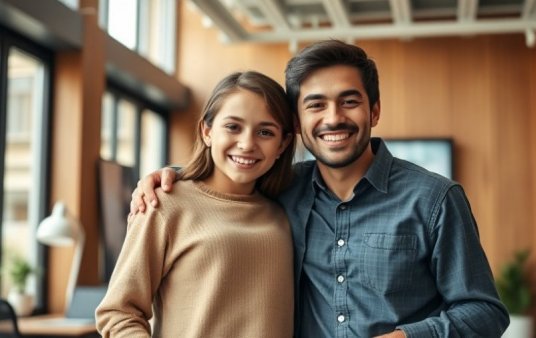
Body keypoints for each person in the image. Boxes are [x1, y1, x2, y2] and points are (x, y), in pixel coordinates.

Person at [131, 40, 510, 337]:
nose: (334, 118)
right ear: (297, 122)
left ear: (374, 111)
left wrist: (405, 337)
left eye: (349, 102)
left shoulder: (434, 199)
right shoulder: (282, 190)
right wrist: (173, 176)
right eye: (316, 105)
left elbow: (485, 313)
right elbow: (228, 174)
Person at [95, 71, 296, 338]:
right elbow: (118, 312)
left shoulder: (288, 208)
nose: (247, 144)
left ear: (282, 144)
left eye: (265, 132)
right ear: (207, 131)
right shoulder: (164, 203)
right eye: (233, 127)